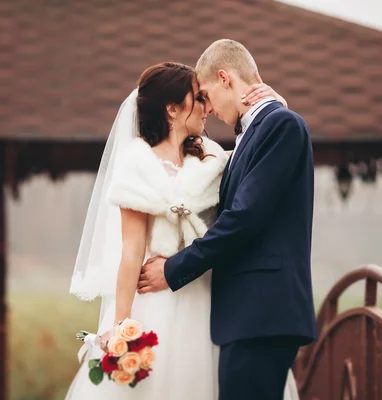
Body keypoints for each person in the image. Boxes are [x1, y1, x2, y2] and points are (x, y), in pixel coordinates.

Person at [66, 61, 297, 399]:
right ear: (173, 109)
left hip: (212, 300)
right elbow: (131, 252)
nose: (207, 107)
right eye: (198, 98)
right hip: (156, 301)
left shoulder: (214, 157)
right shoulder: (136, 164)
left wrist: (275, 110)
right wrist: (120, 328)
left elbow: (258, 156)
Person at [138, 39, 317, 400]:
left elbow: (244, 219)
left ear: (225, 78)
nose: (206, 108)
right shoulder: (259, 130)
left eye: (204, 95)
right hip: (249, 315)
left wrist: (174, 269)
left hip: (262, 313)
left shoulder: (280, 125)